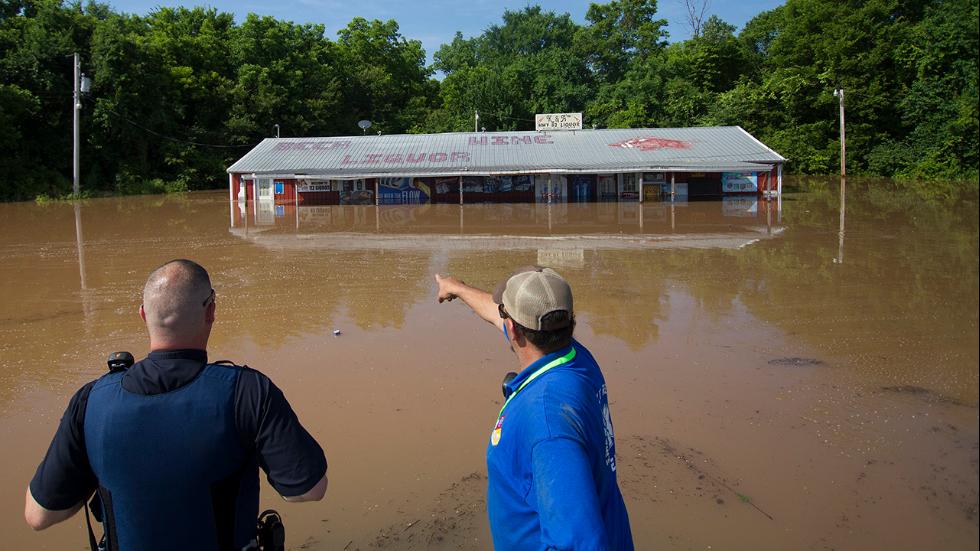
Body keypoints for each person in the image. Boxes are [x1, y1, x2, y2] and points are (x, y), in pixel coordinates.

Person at [25, 259, 328, 551]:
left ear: (143, 314)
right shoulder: (248, 392)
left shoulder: (91, 401)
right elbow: (309, 489)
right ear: (211, 311)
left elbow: (39, 516)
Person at [435, 266, 633, 550]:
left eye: (505, 315)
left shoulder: (547, 423)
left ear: (514, 330)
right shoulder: (574, 358)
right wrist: (458, 288)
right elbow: (495, 314)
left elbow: (581, 543)